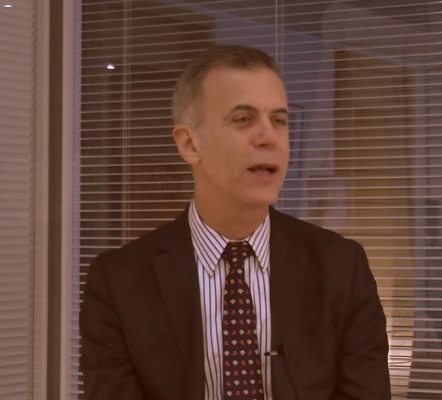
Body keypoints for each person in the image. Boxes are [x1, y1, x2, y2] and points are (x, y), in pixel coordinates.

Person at [80, 45, 391, 400]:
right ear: (190, 144)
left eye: (279, 121)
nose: (269, 137)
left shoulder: (341, 266)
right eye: (243, 119)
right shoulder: (119, 281)